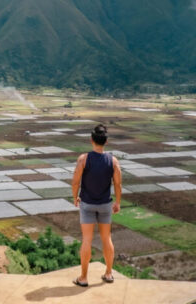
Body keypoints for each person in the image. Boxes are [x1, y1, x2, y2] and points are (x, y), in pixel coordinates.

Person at [71, 123, 121, 287]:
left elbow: (75, 182)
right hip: (105, 205)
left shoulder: (83, 159)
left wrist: (75, 197)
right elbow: (118, 184)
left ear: (91, 140)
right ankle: (108, 273)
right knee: (107, 239)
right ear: (105, 142)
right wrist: (118, 202)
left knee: (87, 240)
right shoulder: (113, 161)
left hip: (87, 204)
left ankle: (83, 278)